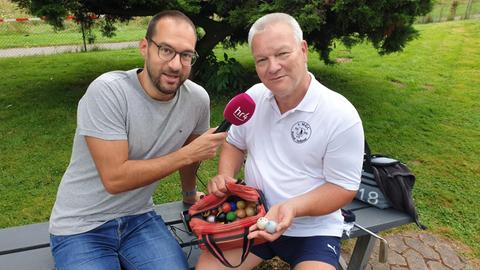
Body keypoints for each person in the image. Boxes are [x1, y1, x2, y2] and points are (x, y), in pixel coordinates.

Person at [48, 10, 227, 270]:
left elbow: (192, 154)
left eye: (186, 55)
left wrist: (189, 195)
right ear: (144, 47)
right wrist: (189, 153)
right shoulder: (108, 92)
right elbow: (115, 178)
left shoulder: (196, 99)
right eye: (166, 50)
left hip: (138, 218)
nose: (176, 65)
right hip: (81, 226)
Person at [196, 13, 364, 270]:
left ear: (303, 50)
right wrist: (226, 176)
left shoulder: (341, 114)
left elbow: (343, 187)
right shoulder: (253, 98)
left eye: (282, 54)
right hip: (252, 216)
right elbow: (235, 143)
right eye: (262, 59)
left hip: (313, 230)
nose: (272, 67)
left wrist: (293, 208)